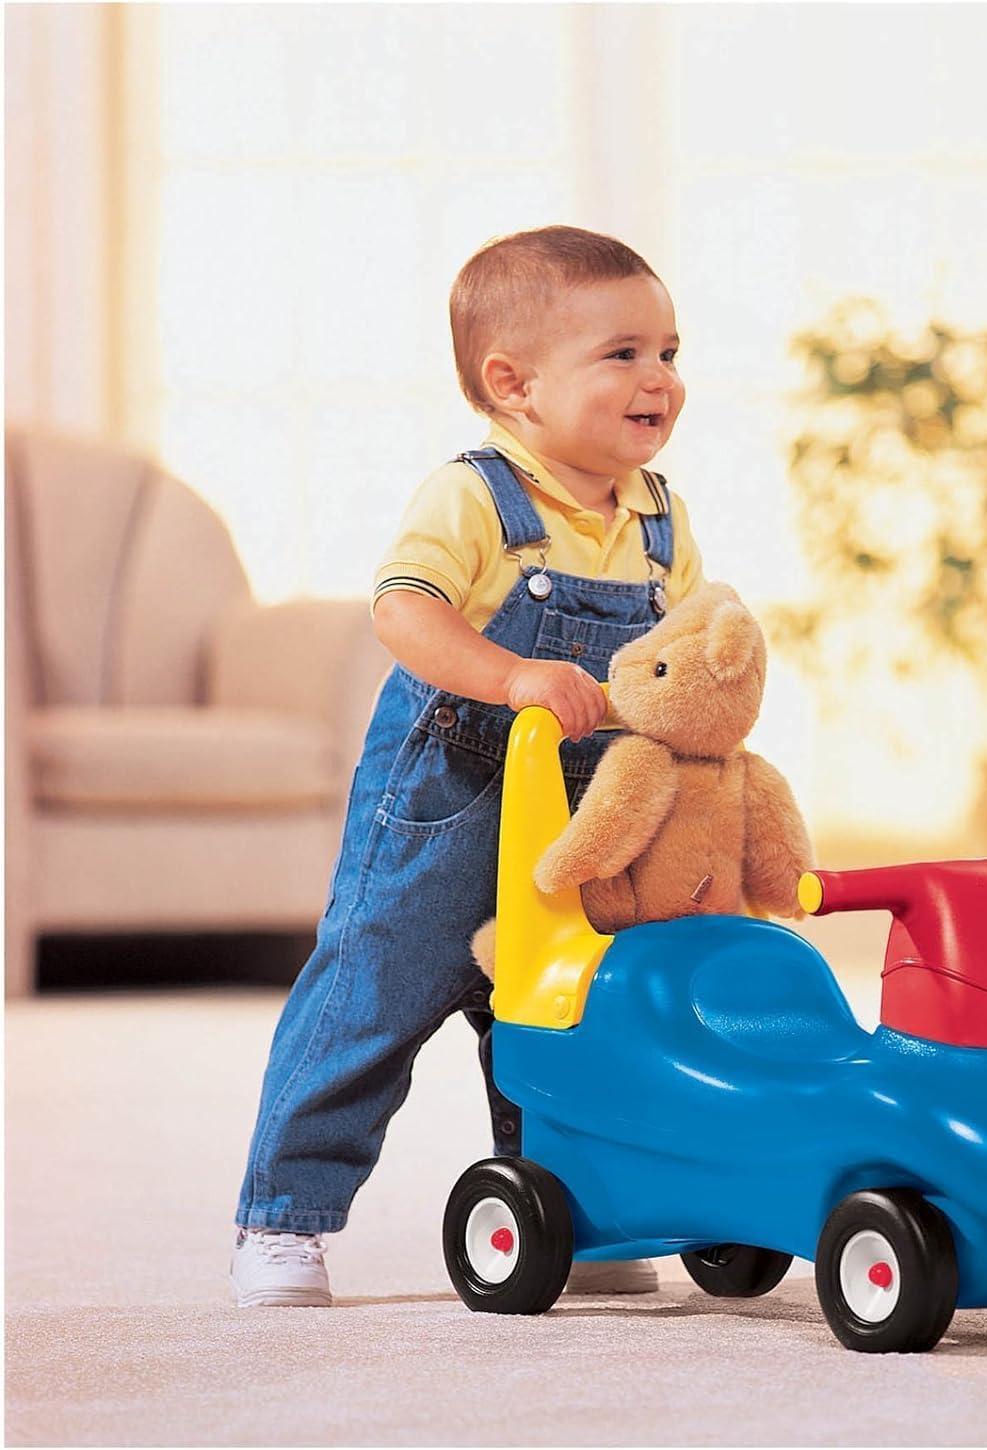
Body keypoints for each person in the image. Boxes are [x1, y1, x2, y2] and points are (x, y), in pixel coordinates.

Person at [230, 226, 704, 1306]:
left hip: (581, 817)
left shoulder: (660, 518)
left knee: (570, 1008)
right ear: (513, 384)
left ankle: (574, 1211)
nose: (660, 379)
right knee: (371, 997)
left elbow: (678, 659)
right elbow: (404, 612)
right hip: (449, 803)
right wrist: (511, 674)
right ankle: (283, 1217)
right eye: (624, 354)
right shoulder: (478, 497)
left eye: (670, 352)